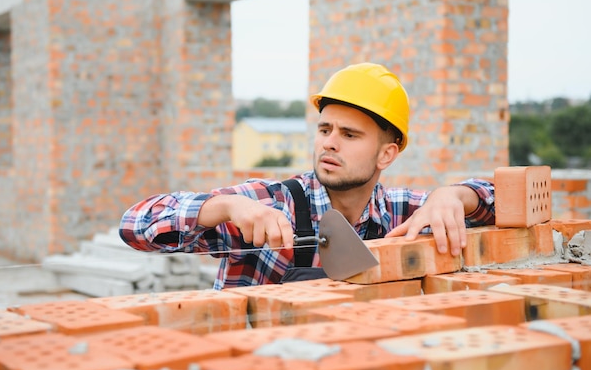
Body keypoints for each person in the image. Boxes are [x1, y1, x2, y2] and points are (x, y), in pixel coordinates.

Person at [119, 62, 495, 289]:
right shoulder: (271, 204)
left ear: (387, 153)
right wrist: (224, 206)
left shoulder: (404, 214)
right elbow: (134, 226)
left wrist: (454, 196)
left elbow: (507, 201)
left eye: (349, 135)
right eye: (325, 129)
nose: (330, 144)